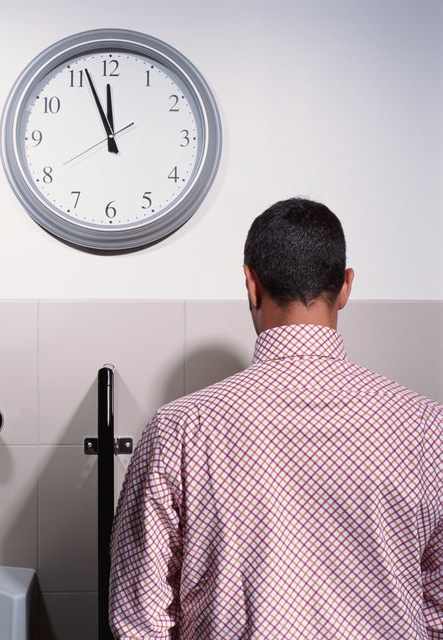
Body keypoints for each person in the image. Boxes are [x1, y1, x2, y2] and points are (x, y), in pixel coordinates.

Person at [108, 198, 443, 639]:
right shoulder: (427, 426)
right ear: (345, 287)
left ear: (251, 284)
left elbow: (139, 620)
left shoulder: (178, 428)